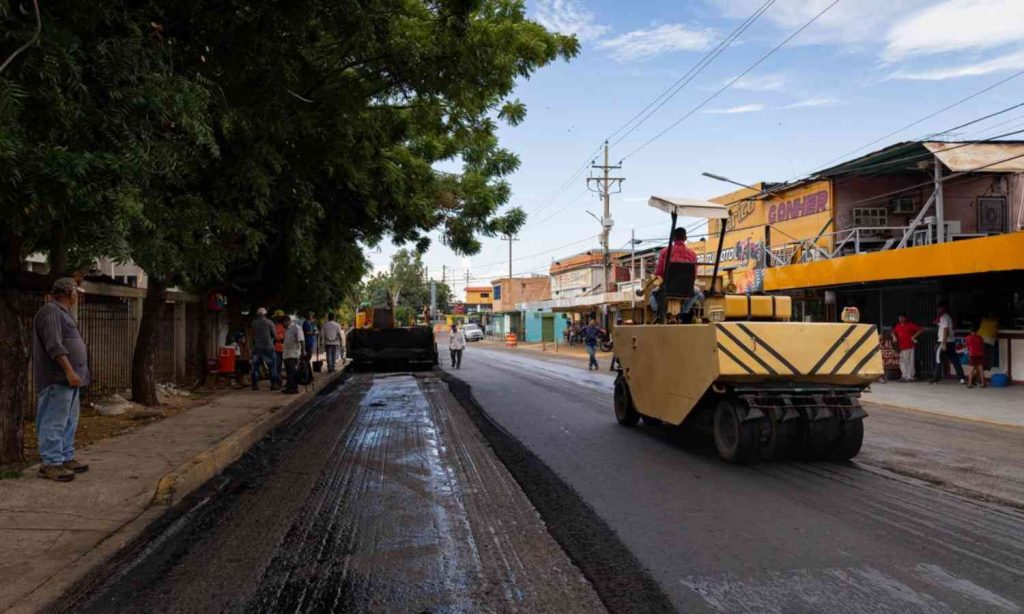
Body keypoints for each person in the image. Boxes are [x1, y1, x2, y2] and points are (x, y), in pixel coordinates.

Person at [32, 277, 90, 482]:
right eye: (76, 293)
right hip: (57, 378)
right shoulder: (51, 312)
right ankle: (51, 462)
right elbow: (54, 345)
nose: (78, 297)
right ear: (70, 293)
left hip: (69, 380)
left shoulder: (63, 313)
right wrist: (69, 371)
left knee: (69, 421)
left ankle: (65, 456)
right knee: (53, 420)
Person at [651, 227, 703, 318]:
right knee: (698, 293)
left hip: (667, 289)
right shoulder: (692, 254)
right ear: (685, 238)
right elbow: (693, 275)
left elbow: (659, 273)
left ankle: (659, 313)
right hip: (686, 290)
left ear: (673, 238)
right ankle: (684, 310)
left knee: (652, 294)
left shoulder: (664, 252)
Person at [930, 303, 966, 385]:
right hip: (951, 341)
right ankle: (961, 378)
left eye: (939, 308)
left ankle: (936, 378)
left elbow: (946, 330)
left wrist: (943, 343)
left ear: (942, 308)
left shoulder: (943, 317)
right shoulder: (949, 317)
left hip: (943, 341)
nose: (938, 310)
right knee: (955, 360)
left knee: (938, 360)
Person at [251, 307, 280, 391]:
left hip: (257, 347)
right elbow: (275, 335)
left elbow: (253, 334)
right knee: (272, 366)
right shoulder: (269, 322)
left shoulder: (254, 323)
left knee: (255, 367)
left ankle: (255, 385)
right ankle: (274, 384)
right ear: (265, 314)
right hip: (268, 346)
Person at [891, 313, 923, 382]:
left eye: (902, 317)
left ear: (905, 318)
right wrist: (894, 337)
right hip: (901, 346)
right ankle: (904, 375)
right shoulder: (898, 326)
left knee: (909, 361)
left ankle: (910, 376)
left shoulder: (910, 325)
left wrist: (914, 336)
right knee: (902, 361)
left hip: (909, 346)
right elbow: (893, 332)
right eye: (899, 317)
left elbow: (920, 330)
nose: (901, 319)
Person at [281, 316, 305, 394]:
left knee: (292, 372)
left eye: (283, 323)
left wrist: (303, 351)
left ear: (287, 321)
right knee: (289, 372)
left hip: (293, 353)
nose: (283, 325)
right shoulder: (287, 330)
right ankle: (290, 387)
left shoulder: (296, 328)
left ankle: (294, 388)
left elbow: (301, 340)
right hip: (286, 354)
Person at [273, 310, 287, 383]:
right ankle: (279, 381)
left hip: (283, 348)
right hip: (278, 348)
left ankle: (285, 382)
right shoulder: (274, 326)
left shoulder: (286, 326)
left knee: (285, 367)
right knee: (278, 366)